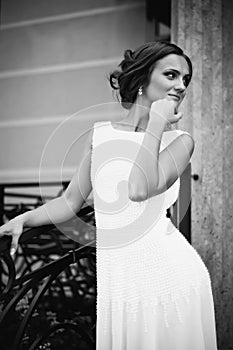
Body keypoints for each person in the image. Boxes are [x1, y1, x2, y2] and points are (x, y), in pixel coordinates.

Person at [0, 41, 218, 349]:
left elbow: (139, 188)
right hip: (119, 279)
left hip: (168, 278)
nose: (181, 86)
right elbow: (71, 201)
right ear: (143, 78)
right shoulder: (101, 135)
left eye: (185, 79)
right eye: (171, 75)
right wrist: (23, 219)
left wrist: (155, 122)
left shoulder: (180, 141)